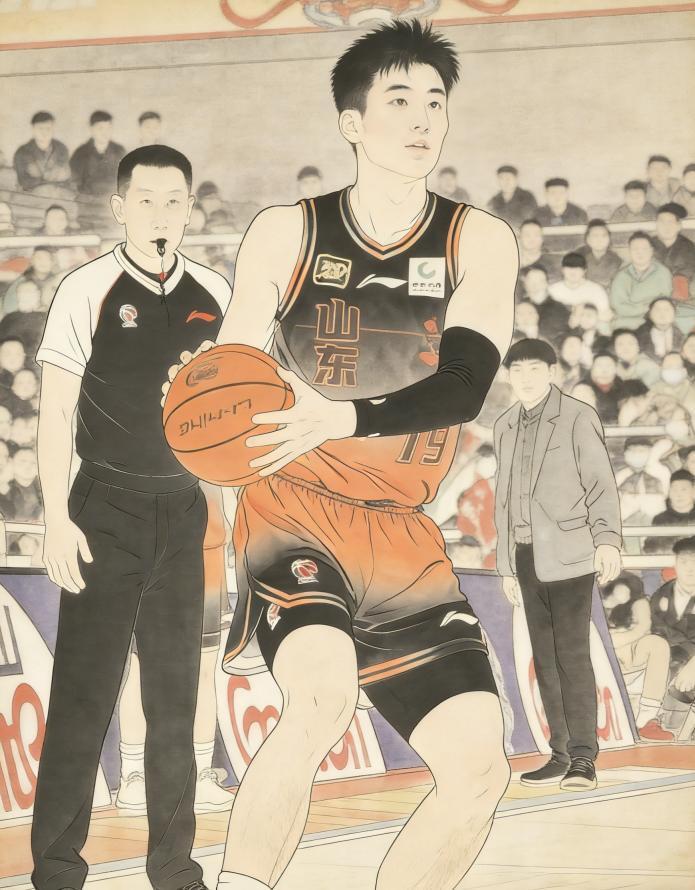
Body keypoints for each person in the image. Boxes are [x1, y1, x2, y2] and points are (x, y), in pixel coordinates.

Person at [167, 21, 516, 890]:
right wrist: (202, 390)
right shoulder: (287, 231)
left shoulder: (479, 240)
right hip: (292, 504)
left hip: (400, 528)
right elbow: (237, 365)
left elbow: (464, 387)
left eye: (435, 102)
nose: (423, 118)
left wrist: (343, 416)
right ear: (352, 123)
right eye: (399, 100)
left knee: (480, 769)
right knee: (319, 695)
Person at [30, 145, 231, 890]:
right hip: (102, 509)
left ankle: (175, 869)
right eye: (145, 200)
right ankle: (56, 869)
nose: (160, 213)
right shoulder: (85, 288)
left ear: (190, 209)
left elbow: (233, 414)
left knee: (174, 704)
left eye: (173, 200)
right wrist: (57, 517)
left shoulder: (215, 291)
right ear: (119, 207)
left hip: (183, 509)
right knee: (83, 698)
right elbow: (55, 413)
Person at [493, 338, 621, 791]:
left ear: (552, 372)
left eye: (534, 369)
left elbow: (600, 482)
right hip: (525, 555)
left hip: (571, 553)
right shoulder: (505, 424)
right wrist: (505, 565)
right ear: (508, 376)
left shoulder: (577, 416)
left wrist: (607, 540)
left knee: (571, 654)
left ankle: (584, 757)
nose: (525, 378)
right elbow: (503, 499)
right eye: (517, 370)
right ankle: (560, 752)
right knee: (544, 659)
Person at [116, 483, 234, 816]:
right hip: (150, 549)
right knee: (141, 666)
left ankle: (200, 775)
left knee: (203, 670)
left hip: (207, 551)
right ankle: (133, 776)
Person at [600, 573, 674, 741]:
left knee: (657, 644)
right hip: (602, 667)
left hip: (634, 665)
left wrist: (616, 641)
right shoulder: (592, 602)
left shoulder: (639, 603)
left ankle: (647, 720)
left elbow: (641, 629)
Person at [650, 537, 695, 705]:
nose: (690, 569)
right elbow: (657, 630)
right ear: (675, 564)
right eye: (684, 562)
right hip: (671, 660)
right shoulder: (661, 595)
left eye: (694, 561)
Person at [610, 233, 672, 330]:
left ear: (651, 251)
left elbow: (664, 301)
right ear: (629, 251)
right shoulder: (621, 276)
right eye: (635, 249)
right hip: (628, 320)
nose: (640, 253)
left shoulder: (663, 272)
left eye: (644, 249)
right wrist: (645, 308)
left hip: (656, 318)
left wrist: (648, 310)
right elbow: (619, 306)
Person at [549, 252, 612, 330]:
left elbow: (605, 316)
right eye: (569, 267)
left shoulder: (596, 290)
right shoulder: (553, 290)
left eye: (577, 268)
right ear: (562, 270)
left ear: (585, 270)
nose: (573, 272)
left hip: (591, 330)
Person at [70, 110, 126, 197]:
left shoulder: (119, 151)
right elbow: (74, 184)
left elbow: (125, 181)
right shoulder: (80, 153)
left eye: (109, 128)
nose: (105, 133)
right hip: (87, 200)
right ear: (91, 129)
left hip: (113, 199)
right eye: (100, 128)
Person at [13, 111, 71, 194]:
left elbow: (65, 177)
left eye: (48, 128)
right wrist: (53, 177)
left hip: (58, 193)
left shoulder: (62, 149)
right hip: (30, 195)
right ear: (33, 129)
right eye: (40, 128)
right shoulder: (22, 152)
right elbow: (25, 182)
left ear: (53, 129)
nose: (44, 133)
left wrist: (41, 177)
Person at [643, 469, 695, 554]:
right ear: (669, 493)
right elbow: (650, 550)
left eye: (684, 489)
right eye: (674, 490)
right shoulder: (660, 519)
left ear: (693, 491)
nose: (679, 495)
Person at [519, 263, 570, 346]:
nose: (535, 284)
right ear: (525, 284)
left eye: (539, 280)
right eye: (530, 280)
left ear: (546, 283)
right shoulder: (519, 306)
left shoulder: (559, 309)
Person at [653, 202, 695, 284]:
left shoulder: (688, 248)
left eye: (670, 222)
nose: (666, 227)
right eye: (662, 222)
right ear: (656, 224)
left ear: (678, 226)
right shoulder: (647, 244)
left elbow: (686, 276)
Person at [487, 164, 537, 230]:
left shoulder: (527, 197)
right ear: (498, 181)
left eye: (509, 178)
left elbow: (528, 220)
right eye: (501, 178)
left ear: (516, 180)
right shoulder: (494, 200)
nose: (505, 182)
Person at [576, 219, 622, 290]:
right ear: (588, 239)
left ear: (609, 239)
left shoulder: (617, 261)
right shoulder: (578, 259)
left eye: (604, 236)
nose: (600, 240)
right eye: (595, 236)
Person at [637, 297, 684, 362]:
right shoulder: (637, 337)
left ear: (674, 314)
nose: (662, 313)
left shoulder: (683, 337)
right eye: (657, 310)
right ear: (650, 314)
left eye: (667, 310)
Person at [587, 351, 626, 425]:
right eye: (599, 366)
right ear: (592, 369)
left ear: (615, 369)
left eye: (609, 366)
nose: (604, 371)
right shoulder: (583, 388)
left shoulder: (623, 387)